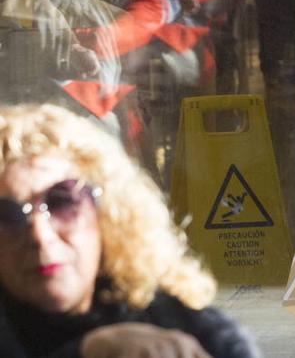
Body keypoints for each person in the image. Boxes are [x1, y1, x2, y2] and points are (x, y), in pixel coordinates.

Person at [0, 103, 260, 357]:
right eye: (6, 216)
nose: (40, 236)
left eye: (62, 202)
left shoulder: (186, 326)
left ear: (106, 213)